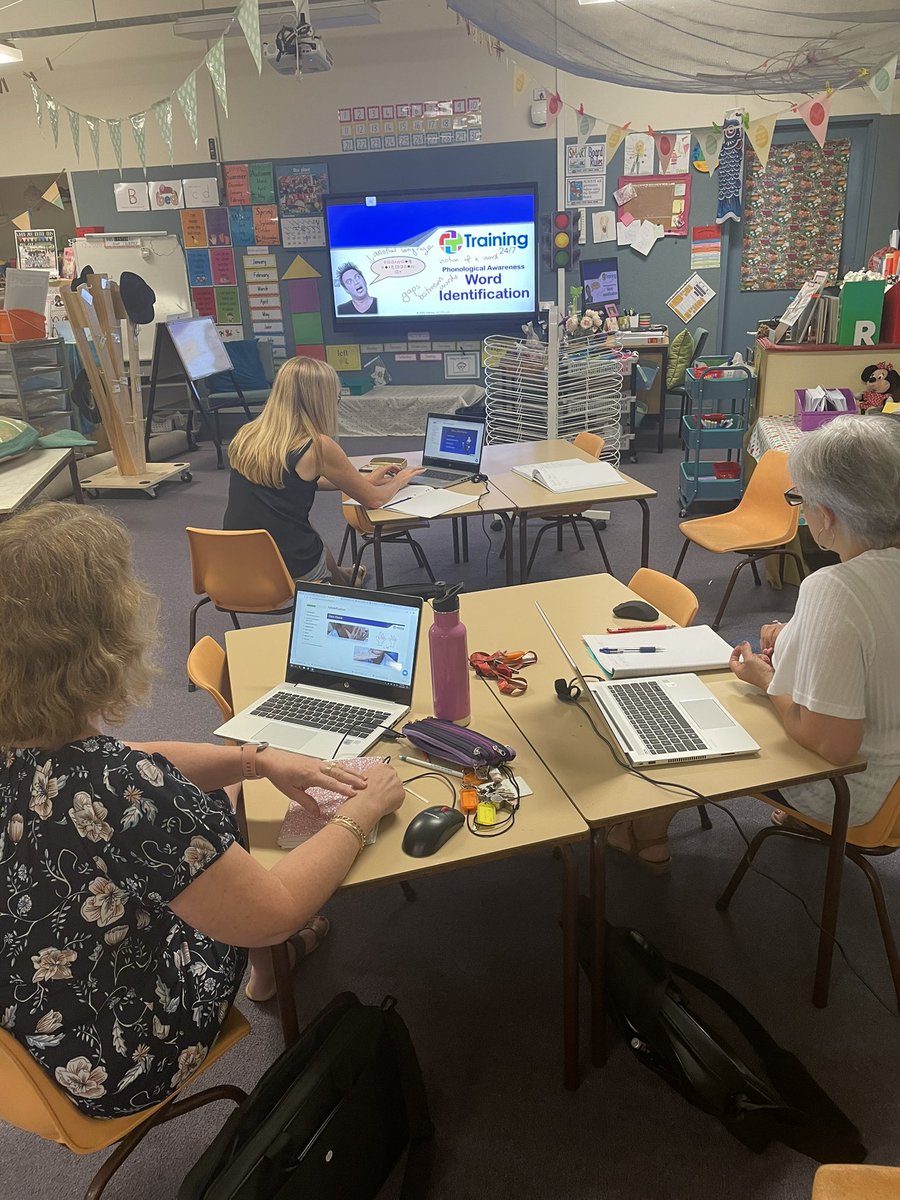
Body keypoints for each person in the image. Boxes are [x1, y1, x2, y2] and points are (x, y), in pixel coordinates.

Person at [0, 504, 406, 1117]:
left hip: (36, 1028)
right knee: (226, 839)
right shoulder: (118, 787)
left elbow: (133, 759)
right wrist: (363, 810)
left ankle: (265, 965)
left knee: (209, 806)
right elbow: (276, 911)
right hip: (121, 1056)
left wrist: (252, 760)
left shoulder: (30, 745)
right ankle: (270, 968)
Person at [609, 415, 900, 870]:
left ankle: (648, 835)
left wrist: (768, 681)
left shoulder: (836, 588)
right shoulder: (868, 580)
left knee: (694, 705)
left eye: (800, 499)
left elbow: (834, 745)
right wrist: (799, 639)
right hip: (893, 784)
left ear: (826, 515)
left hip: (853, 793)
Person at [223, 356, 422, 586]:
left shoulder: (247, 434)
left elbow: (291, 481)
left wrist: (363, 481)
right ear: (321, 401)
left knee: (308, 537)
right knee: (311, 541)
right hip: (288, 566)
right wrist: (400, 480)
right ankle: (342, 582)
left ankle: (343, 579)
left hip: (233, 562)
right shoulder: (317, 445)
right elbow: (375, 500)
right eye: (336, 398)